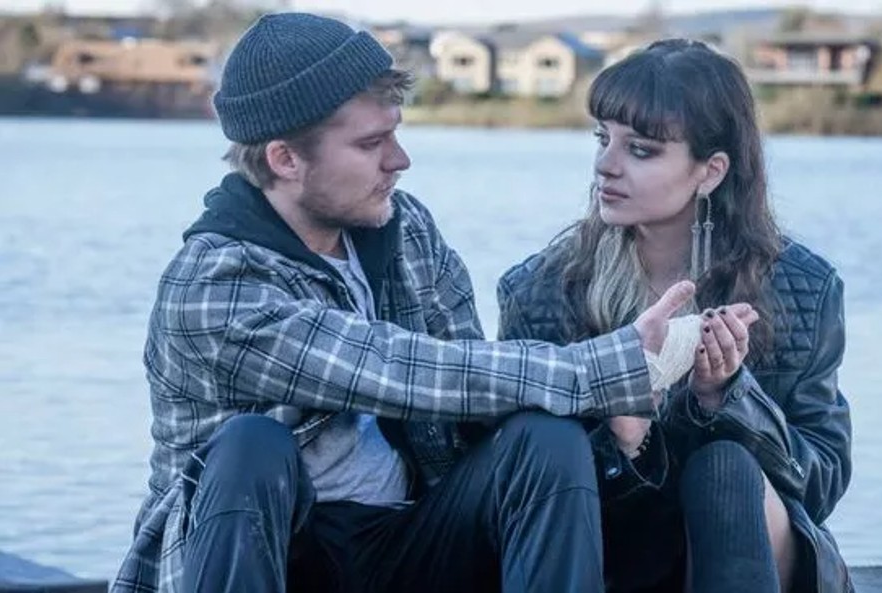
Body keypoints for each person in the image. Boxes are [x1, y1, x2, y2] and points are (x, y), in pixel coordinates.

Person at [108, 14, 738, 593]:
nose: (399, 161)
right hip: (275, 556)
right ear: (285, 159)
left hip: (411, 541)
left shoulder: (403, 229)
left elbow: (473, 393)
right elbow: (398, 369)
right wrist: (612, 365)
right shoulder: (212, 287)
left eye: (396, 135)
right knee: (250, 446)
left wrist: (621, 426)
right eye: (369, 145)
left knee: (544, 439)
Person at [497, 39, 852, 593]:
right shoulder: (541, 291)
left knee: (725, 469)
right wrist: (624, 438)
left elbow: (821, 481)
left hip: (754, 553)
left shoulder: (802, 288)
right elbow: (520, 477)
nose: (605, 165)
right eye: (602, 138)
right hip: (610, 554)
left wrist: (727, 397)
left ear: (709, 172)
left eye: (640, 150)